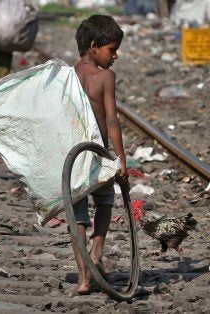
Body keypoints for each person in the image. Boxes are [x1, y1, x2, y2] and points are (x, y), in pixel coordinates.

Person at [70, 15, 129, 295]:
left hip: (71, 157)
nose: (115, 56)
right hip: (97, 153)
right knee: (105, 201)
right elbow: (112, 120)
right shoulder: (105, 76)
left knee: (77, 216)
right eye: (111, 49)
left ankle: (83, 277)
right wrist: (121, 160)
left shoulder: (68, 75)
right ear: (94, 46)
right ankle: (97, 251)